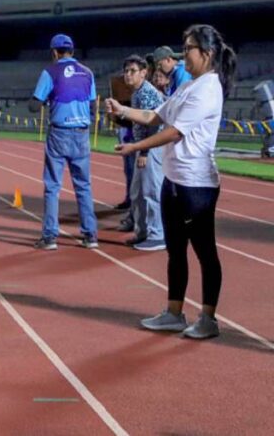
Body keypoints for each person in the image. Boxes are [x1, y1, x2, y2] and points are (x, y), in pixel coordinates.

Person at [107, 24, 236, 340]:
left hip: (197, 185)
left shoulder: (208, 88)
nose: (183, 54)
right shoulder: (189, 86)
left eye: (188, 48)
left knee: (204, 251)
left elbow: (175, 130)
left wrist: (136, 147)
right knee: (176, 251)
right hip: (174, 181)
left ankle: (208, 318)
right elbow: (155, 116)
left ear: (206, 53)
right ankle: (174, 313)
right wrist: (123, 109)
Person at [28, 34, 99, 250]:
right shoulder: (87, 73)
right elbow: (94, 106)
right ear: (72, 51)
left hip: (59, 133)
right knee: (83, 186)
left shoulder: (50, 71)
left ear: (54, 52)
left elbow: (34, 105)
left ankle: (50, 237)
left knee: (52, 187)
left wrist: (44, 98)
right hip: (82, 133)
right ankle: (90, 235)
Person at [120, 55, 166, 251]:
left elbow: (153, 124)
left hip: (152, 147)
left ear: (143, 73)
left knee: (151, 191)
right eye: (126, 71)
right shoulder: (137, 92)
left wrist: (145, 151)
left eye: (132, 71)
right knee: (137, 192)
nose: (128, 74)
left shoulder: (146, 92)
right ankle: (142, 232)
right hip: (142, 146)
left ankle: (158, 235)